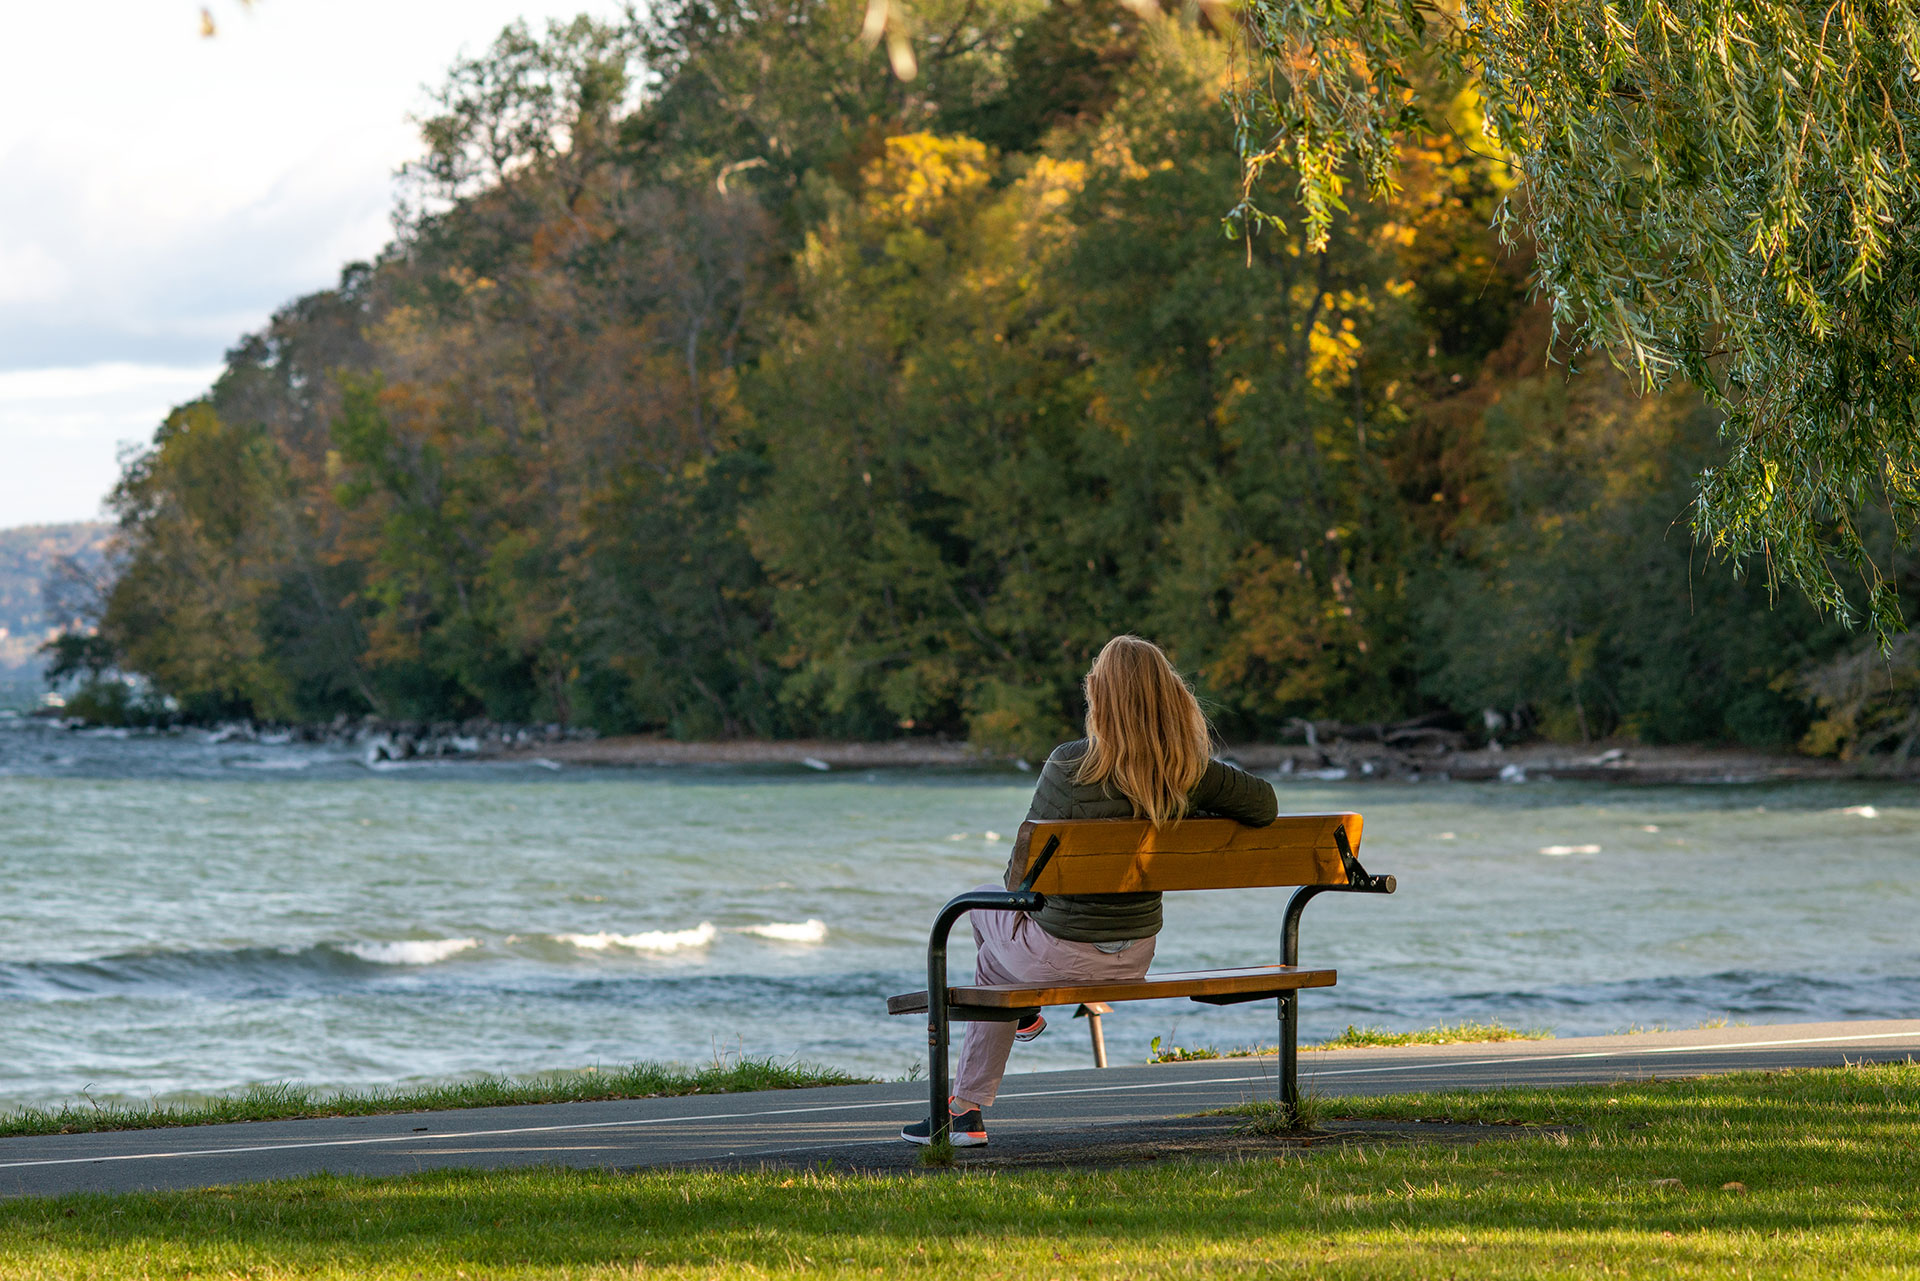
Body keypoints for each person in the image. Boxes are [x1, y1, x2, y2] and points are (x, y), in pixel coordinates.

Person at [902, 634, 1278, 1146]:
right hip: (1136, 956)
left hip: (1061, 958)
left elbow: (1019, 882)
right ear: (1170, 697)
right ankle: (988, 1067)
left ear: (1099, 698)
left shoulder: (1069, 764)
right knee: (997, 957)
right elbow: (1265, 806)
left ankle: (969, 1106)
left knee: (982, 910)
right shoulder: (1189, 772)